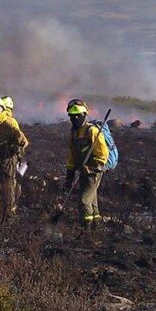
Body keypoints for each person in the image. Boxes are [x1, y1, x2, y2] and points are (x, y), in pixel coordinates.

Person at [63, 98, 108, 231]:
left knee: (84, 201)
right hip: (82, 171)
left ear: (84, 115)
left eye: (78, 115)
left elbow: (102, 154)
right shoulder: (74, 133)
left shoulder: (92, 131)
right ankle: (96, 228)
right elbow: (72, 156)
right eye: (72, 116)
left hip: (93, 172)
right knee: (92, 202)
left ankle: (86, 231)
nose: (75, 118)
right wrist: (69, 175)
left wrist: (93, 168)